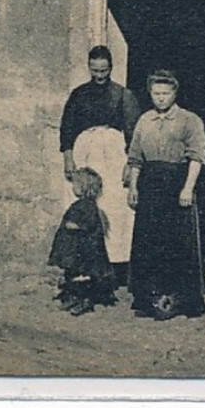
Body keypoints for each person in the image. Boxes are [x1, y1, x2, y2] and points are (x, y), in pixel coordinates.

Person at [126, 69, 205, 319]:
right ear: (150, 93)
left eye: (165, 93)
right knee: (150, 240)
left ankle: (178, 300)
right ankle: (148, 298)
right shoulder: (144, 121)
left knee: (176, 243)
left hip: (176, 184)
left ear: (175, 93)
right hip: (150, 185)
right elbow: (135, 158)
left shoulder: (189, 120)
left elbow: (197, 157)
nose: (160, 98)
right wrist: (133, 187)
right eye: (156, 93)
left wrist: (187, 187)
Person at [59, 46, 141, 286]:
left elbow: (134, 134)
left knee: (113, 209)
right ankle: (81, 264)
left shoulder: (123, 96)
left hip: (114, 157)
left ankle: (113, 268)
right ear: (89, 67)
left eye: (103, 70)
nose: (99, 76)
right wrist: (68, 157)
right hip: (85, 155)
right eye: (95, 70)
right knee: (82, 207)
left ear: (111, 68)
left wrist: (130, 164)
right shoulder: (79, 94)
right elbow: (67, 128)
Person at [47, 166, 115, 315]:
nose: (73, 188)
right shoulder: (81, 204)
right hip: (75, 247)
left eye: (76, 184)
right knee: (73, 272)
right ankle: (72, 296)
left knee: (82, 275)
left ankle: (84, 300)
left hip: (84, 249)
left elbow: (89, 223)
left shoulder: (87, 206)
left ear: (84, 187)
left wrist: (74, 225)